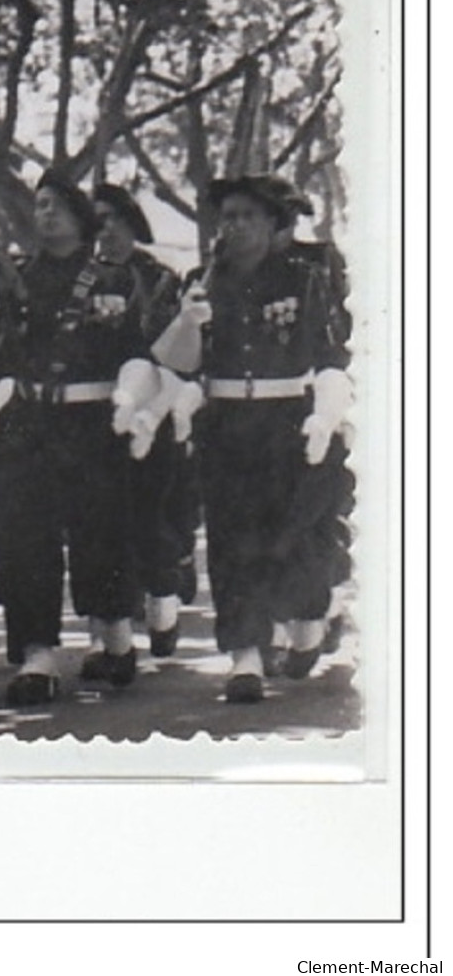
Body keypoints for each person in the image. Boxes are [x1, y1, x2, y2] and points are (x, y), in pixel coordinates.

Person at [0, 171, 151, 706]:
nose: (47, 214)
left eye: (59, 205)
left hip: (91, 423)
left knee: (100, 537)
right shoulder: (16, 279)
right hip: (29, 422)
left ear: (82, 216)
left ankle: (114, 634)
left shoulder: (113, 279)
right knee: (24, 541)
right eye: (39, 205)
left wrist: (131, 404)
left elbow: (136, 351)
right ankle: (37, 655)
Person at [151, 174, 350, 703]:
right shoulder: (202, 279)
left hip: (288, 422)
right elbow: (175, 361)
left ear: (273, 225)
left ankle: (308, 622)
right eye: (228, 216)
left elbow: (331, 355)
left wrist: (325, 415)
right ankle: (245, 657)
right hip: (227, 426)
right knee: (232, 543)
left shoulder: (304, 279)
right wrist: (190, 321)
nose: (235, 226)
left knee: (298, 539)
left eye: (248, 216)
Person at [92, 183, 195, 658]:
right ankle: (110, 631)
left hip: (150, 412)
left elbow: (165, 351)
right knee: (102, 521)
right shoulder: (84, 277)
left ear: (133, 224)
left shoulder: (159, 279)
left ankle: (163, 599)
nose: (105, 229)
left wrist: (150, 413)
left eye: (113, 218)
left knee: (149, 513)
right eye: (96, 219)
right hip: (93, 414)